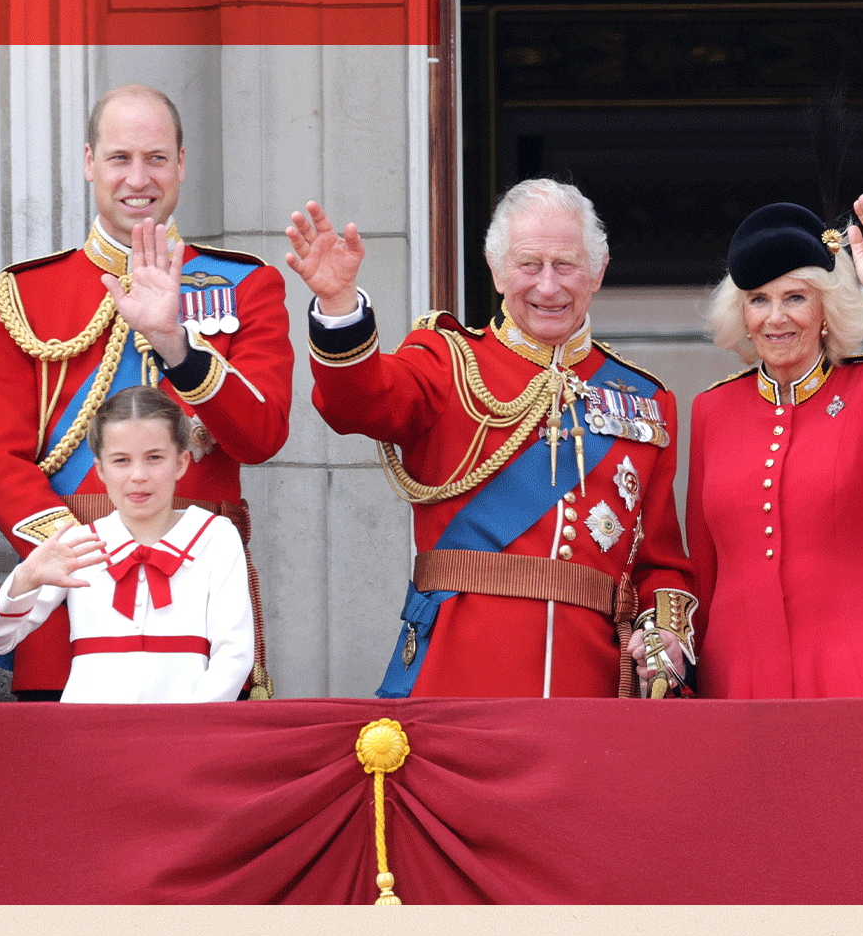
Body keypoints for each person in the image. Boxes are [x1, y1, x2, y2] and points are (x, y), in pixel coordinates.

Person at [289, 179, 697, 698]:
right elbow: (358, 403)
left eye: (566, 265)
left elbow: (661, 563)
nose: (548, 287)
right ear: (498, 270)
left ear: (598, 271)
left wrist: (665, 632)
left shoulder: (646, 401)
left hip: (588, 690)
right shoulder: (447, 361)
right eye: (529, 265)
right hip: (458, 679)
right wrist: (339, 306)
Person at [0, 84, 292, 700]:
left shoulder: (247, 284)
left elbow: (261, 436)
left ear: (182, 163)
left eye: (156, 158)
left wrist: (178, 347)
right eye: (120, 158)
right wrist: (80, 557)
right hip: (71, 602)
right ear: (90, 161)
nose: (138, 178)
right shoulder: (24, 294)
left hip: (199, 595)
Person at [687, 196, 863, 697]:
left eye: (796, 297)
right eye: (759, 299)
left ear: (826, 310)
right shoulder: (713, 411)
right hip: (739, 677)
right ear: (741, 314)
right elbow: (704, 568)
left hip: (859, 668)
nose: (775, 318)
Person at [0, 387, 253, 703]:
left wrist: (185, 730)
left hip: (185, 738)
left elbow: (235, 653)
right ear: (101, 470)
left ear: (181, 463)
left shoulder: (216, 537)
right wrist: (26, 578)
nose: (138, 475)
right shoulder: (79, 543)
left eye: (154, 458)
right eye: (121, 461)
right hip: (90, 738)